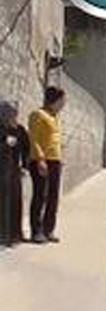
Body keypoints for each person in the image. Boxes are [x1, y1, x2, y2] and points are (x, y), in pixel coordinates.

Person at [28, 86, 66, 243]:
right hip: (42, 160)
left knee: (53, 196)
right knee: (40, 195)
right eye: (62, 100)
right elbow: (34, 139)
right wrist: (40, 159)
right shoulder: (38, 115)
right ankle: (36, 231)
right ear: (54, 100)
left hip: (55, 160)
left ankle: (48, 229)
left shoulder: (55, 117)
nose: (63, 104)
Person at [1, 100, 31, 245]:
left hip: (13, 170)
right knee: (3, 202)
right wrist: (5, 144)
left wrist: (25, 166)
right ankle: (4, 235)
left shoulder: (19, 130)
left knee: (16, 201)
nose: (13, 117)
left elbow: (26, 148)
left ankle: (15, 234)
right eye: (10, 114)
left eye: (14, 114)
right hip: (2, 171)